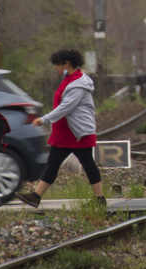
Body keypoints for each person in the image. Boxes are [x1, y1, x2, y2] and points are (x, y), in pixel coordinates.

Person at [15, 49, 105, 209]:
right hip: (64, 131)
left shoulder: (78, 84)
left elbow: (66, 107)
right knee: (53, 164)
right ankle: (35, 196)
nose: (55, 68)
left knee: (88, 164)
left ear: (66, 64)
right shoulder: (69, 78)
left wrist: (44, 119)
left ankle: (100, 199)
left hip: (78, 133)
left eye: (57, 64)